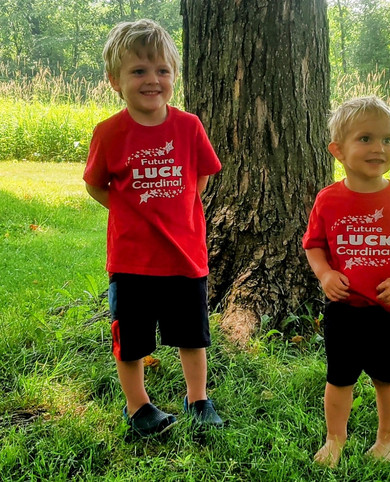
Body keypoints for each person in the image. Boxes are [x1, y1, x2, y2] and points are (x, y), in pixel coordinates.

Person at [83, 19, 223, 437]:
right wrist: (131, 211)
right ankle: (138, 405)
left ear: (174, 77)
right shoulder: (109, 133)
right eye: (139, 71)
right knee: (132, 340)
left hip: (184, 256)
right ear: (115, 80)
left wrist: (177, 209)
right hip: (132, 261)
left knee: (192, 336)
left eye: (162, 70)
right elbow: (96, 184)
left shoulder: (188, 126)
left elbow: (200, 176)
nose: (152, 80)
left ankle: (197, 397)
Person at [303, 96, 390, 466]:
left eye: (387, 139)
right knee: (339, 380)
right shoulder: (328, 200)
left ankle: (387, 440)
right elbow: (313, 246)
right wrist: (326, 274)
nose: (379, 147)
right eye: (365, 138)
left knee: (386, 379)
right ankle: (335, 440)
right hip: (344, 310)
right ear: (338, 150)